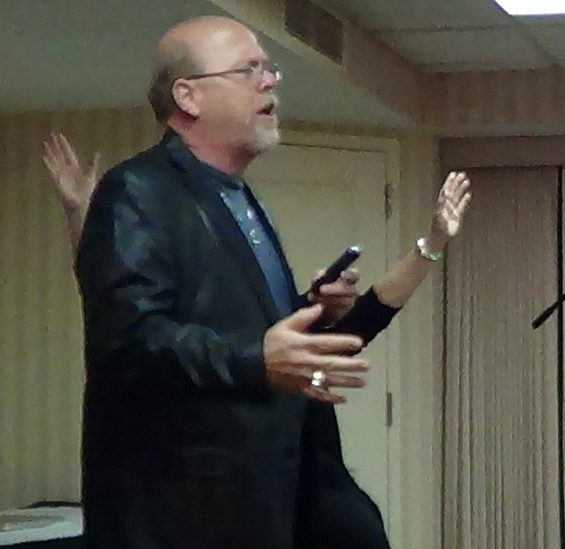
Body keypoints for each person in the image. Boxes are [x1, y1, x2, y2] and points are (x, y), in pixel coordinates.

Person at [42, 16, 471, 549]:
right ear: (188, 96)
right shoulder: (138, 190)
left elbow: (237, 327)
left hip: (270, 502)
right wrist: (256, 359)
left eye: (269, 69)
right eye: (249, 70)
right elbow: (127, 341)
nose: (271, 81)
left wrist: (313, 311)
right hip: (188, 518)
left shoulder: (240, 198)